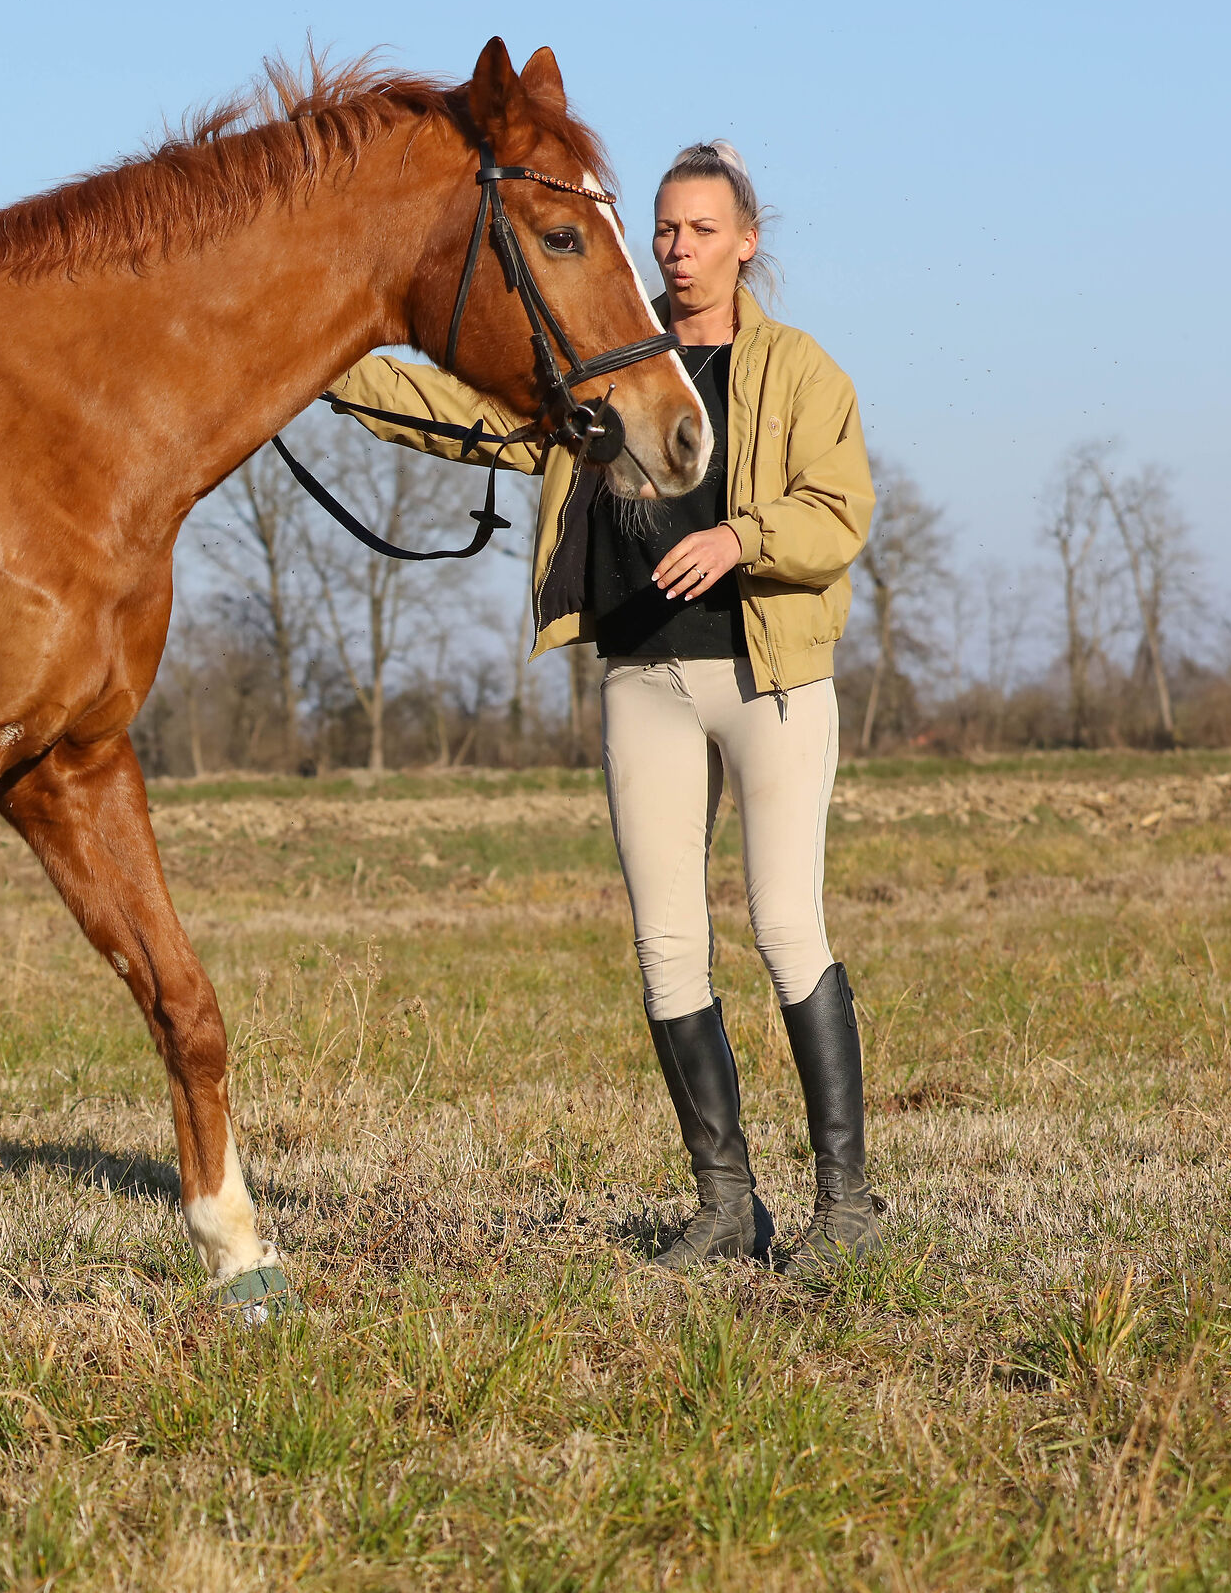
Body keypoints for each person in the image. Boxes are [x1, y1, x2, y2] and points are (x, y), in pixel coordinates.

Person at [322, 141, 880, 1279]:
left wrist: (741, 538)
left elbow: (840, 512)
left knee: (784, 928)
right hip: (644, 680)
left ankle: (847, 1203)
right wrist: (320, 364)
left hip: (767, 678)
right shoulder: (608, 370)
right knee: (668, 948)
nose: (680, 249)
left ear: (747, 241)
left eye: (702, 230)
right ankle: (727, 1205)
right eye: (666, 230)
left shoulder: (802, 372)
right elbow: (460, 417)